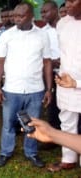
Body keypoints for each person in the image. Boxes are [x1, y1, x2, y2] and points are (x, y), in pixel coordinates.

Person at [0, 2, 52, 168]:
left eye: (21, 16)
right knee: (8, 124)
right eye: (15, 16)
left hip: (36, 89)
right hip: (12, 89)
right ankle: (5, 152)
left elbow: (47, 62)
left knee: (32, 124)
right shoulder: (7, 35)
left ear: (32, 16)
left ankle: (31, 153)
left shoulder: (42, 35)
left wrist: (49, 89)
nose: (16, 19)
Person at [47, 0, 81, 172]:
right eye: (66, 1)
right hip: (66, 81)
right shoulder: (63, 23)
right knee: (67, 120)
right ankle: (69, 158)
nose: (67, 5)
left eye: (72, 0)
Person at [40, 0, 61, 132]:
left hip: (69, 72)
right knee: (52, 104)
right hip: (50, 72)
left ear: (55, 10)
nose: (42, 15)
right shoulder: (42, 32)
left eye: (45, 11)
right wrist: (51, 62)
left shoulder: (67, 27)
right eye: (41, 12)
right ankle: (54, 134)